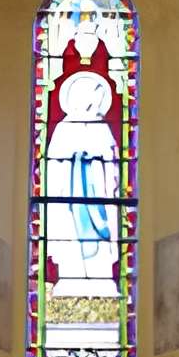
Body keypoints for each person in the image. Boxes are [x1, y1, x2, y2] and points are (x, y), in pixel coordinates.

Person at [43, 44, 120, 293]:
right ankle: (70, 277)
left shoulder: (102, 127)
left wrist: (99, 160)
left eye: (95, 96)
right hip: (69, 200)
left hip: (97, 197)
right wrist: (76, 159)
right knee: (70, 239)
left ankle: (101, 279)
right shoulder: (64, 128)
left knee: (99, 244)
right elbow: (53, 163)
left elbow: (113, 163)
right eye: (87, 95)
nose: (91, 101)